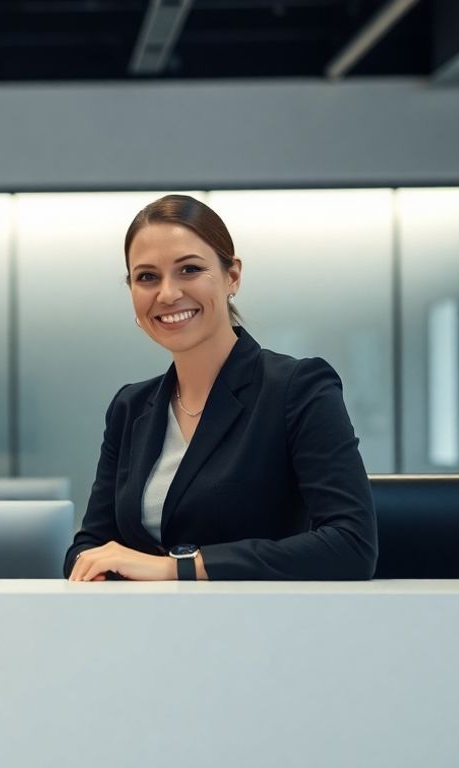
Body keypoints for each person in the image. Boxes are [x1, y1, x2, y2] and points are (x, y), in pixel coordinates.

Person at [65, 194, 377, 581]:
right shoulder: (131, 407)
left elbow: (351, 546)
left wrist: (177, 569)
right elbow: (91, 544)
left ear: (233, 277)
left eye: (189, 269)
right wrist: (97, 567)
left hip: (268, 631)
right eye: (147, 277)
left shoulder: (298, 389)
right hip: (145, 631)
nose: (167, 294)